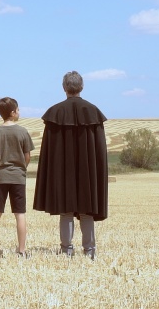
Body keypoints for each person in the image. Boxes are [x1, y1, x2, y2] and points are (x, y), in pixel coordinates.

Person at [33, 71, 108, 259]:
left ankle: (66, 250)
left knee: (66, 210)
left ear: (64, 87)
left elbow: (49, 150)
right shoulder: (93, 111)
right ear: (81, 87)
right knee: (87, 209)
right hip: (88, 170)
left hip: (63, 170)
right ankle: (89, 251)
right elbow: (100, 150)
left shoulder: (55, 112)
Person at [0, 97, 35, 258]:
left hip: (0, 177)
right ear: (13, 113)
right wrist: (21, 169)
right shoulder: (22, 132)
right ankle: (21, 250)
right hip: (18, 177)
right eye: (18, 110)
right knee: (20, 214)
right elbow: (27, 156)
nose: (19, 112)